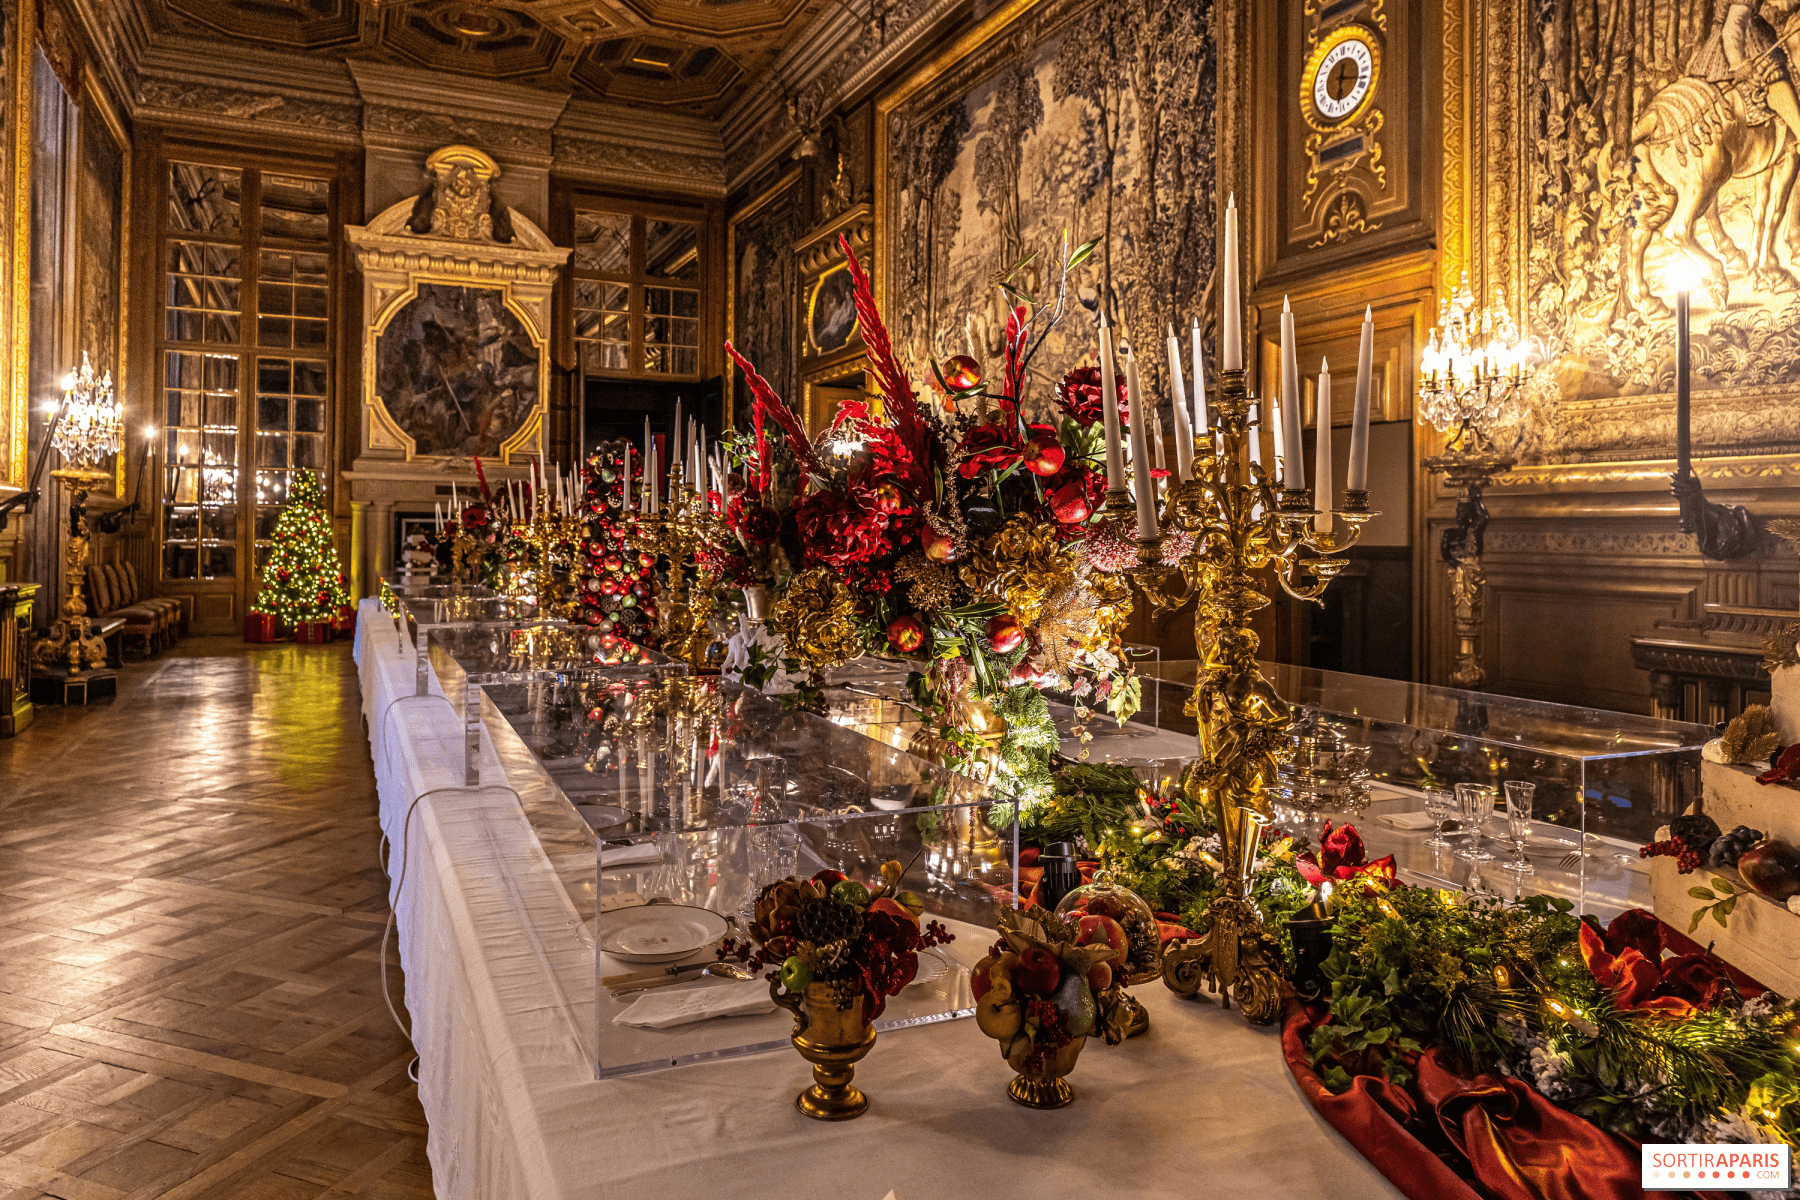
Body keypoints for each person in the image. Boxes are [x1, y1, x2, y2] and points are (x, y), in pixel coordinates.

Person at [1689, 0, 1800, 144]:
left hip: (1753, 34)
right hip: (1742, 45)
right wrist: (1738, 63)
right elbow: (1732, 28)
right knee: (1773, 78)